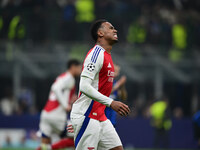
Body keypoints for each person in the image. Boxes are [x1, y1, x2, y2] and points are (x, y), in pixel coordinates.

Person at [70, 19, 131, 150]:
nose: (115, 30)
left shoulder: (107, 56)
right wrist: (111, 102)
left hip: (101, 117)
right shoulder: (95, 54)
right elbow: (84, 86)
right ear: (100, 33)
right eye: (111, 28)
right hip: (86, 115)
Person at [38, 59, 82, 150]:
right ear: (73, 67)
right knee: (78, 137)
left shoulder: (62, 77)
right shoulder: (69, 78)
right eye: (79, 68)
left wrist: (70, 101)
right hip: (57, 115)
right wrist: (66, 105)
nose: (80, 70)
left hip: (46, 113)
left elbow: (59, 92)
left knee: (45, 142)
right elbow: (55, 88)